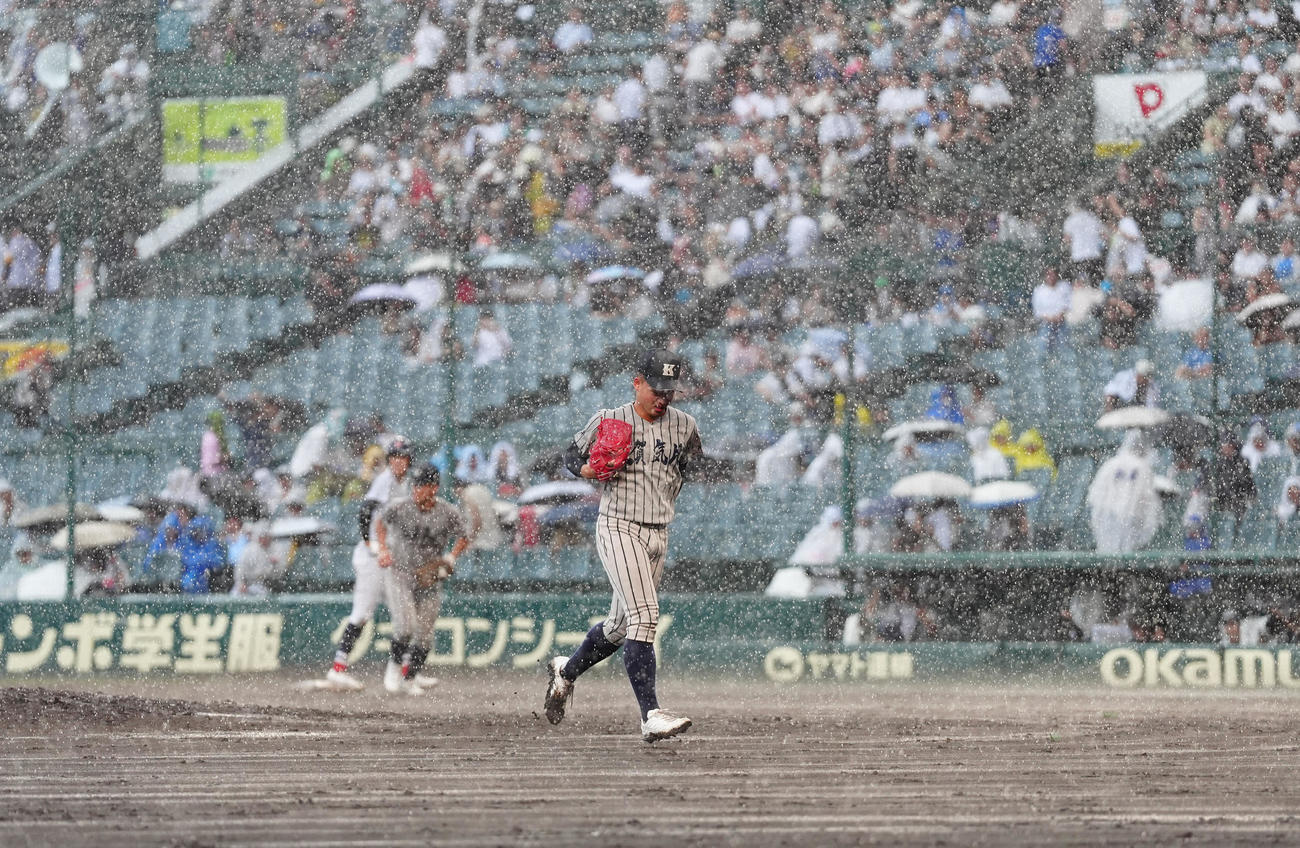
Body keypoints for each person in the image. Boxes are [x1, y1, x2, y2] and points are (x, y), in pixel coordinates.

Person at [545, 349, 703, 742]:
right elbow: (570, 454)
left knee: (618, 628)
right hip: (619, 525)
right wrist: (587, 469)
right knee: (646, 616)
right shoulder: (611, 419)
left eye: (670, 390)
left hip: (659, 531)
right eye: (656, 388)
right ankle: (650, 715)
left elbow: (691, 466)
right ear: (637, 382)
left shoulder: (685, 426)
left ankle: (565, 673)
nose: (663, 397)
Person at [325, 437, 414, 691]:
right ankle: (337, 669)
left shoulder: (405, 482)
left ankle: (406, 674)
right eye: (395, 457)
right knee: (362, 614)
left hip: (388, 557)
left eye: (403, 457)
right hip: (373, 557)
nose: (399, 461)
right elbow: (365, 510)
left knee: (403, 614)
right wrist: (368, 542)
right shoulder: (385, 480)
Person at [374, 465, 469, 696]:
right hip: (401, 573)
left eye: (421, 485)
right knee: (406, 627)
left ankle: (410, 678)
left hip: (429, 577)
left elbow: (464, 535)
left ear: (434, 488)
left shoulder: (447, 512)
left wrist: (452, 557)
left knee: (425, 635)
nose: (416, 489)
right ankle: (394, 669)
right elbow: (380, 524)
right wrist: (383, 549)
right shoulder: (401, 507)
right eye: (414, 485)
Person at [1087, 430, 1163, 554]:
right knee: (1127, 555)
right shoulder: (1144, 467)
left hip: (1109, 516)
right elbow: (1147, 500)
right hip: (1132, 518)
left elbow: (1095, 496)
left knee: (1107, 553)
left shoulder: (1110, 464)